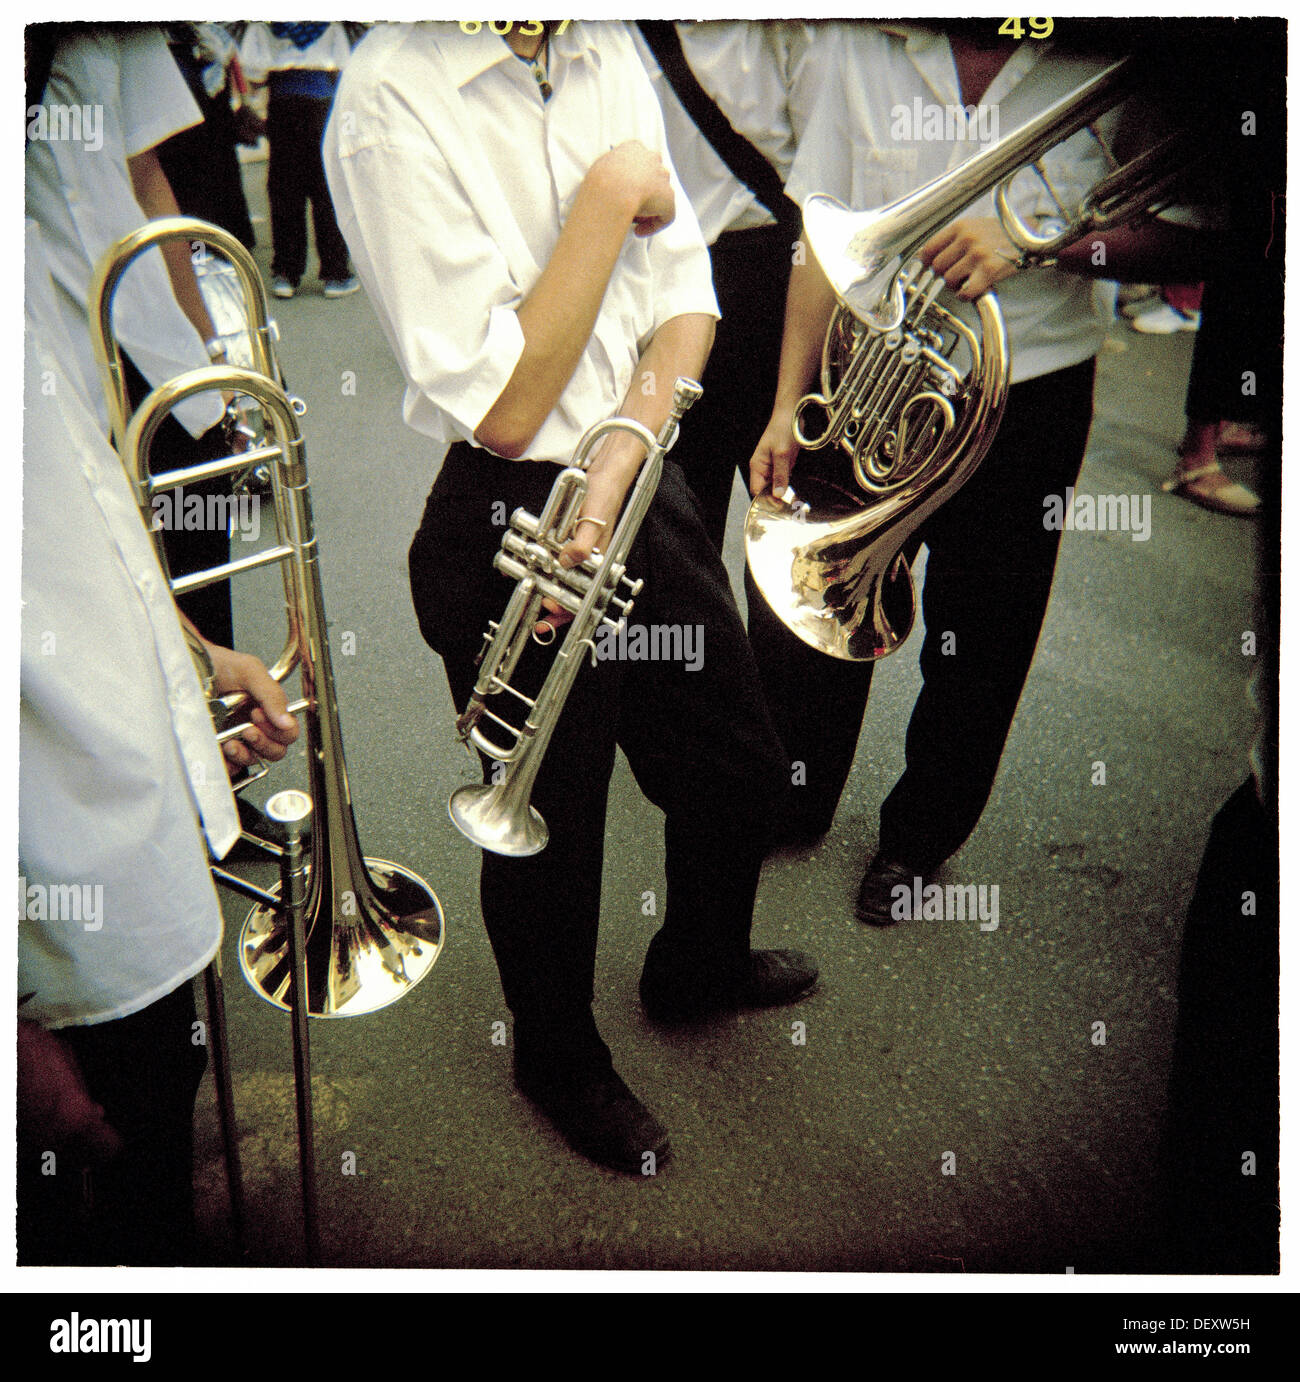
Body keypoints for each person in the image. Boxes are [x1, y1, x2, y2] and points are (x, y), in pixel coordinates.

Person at [324, 20, 817, 1175]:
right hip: (503, 507)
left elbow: (687, 300)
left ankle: (695, 963)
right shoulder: (387, 102)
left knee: (738, 761)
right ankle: (554, 1053)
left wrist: (609, 471)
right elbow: (501, 403)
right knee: (548, 814)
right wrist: (609, 195)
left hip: (633, 470)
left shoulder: (596, 44)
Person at [746, 21, 1219, 913]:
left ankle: (919, 841)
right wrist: (783, 402)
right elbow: (824, 231)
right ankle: (795, 795)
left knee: (984, 636)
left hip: (1028, 392)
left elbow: (1201, 236)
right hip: (863, 372)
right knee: (819, 599)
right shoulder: (866, 38)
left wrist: (1041, 243)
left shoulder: (1120, 50)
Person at [19, 218, 300, 1266]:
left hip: (119, 876)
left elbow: (73, 538)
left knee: (155, 1154)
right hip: (47, 945)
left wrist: (190, 669)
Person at [632, 20, 816, 552]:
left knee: (794, 535)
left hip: (789, 280)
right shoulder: (606, 34)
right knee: (676, 545)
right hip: (667, 283)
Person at [240, 21, 359, 299]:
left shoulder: (265, 24)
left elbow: (254, 74)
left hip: (282, 105)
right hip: (321, 107)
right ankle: (335, 273)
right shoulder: (330, 21)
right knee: (326, 191)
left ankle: (286, 273)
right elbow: (344, 67)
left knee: (284, 190)